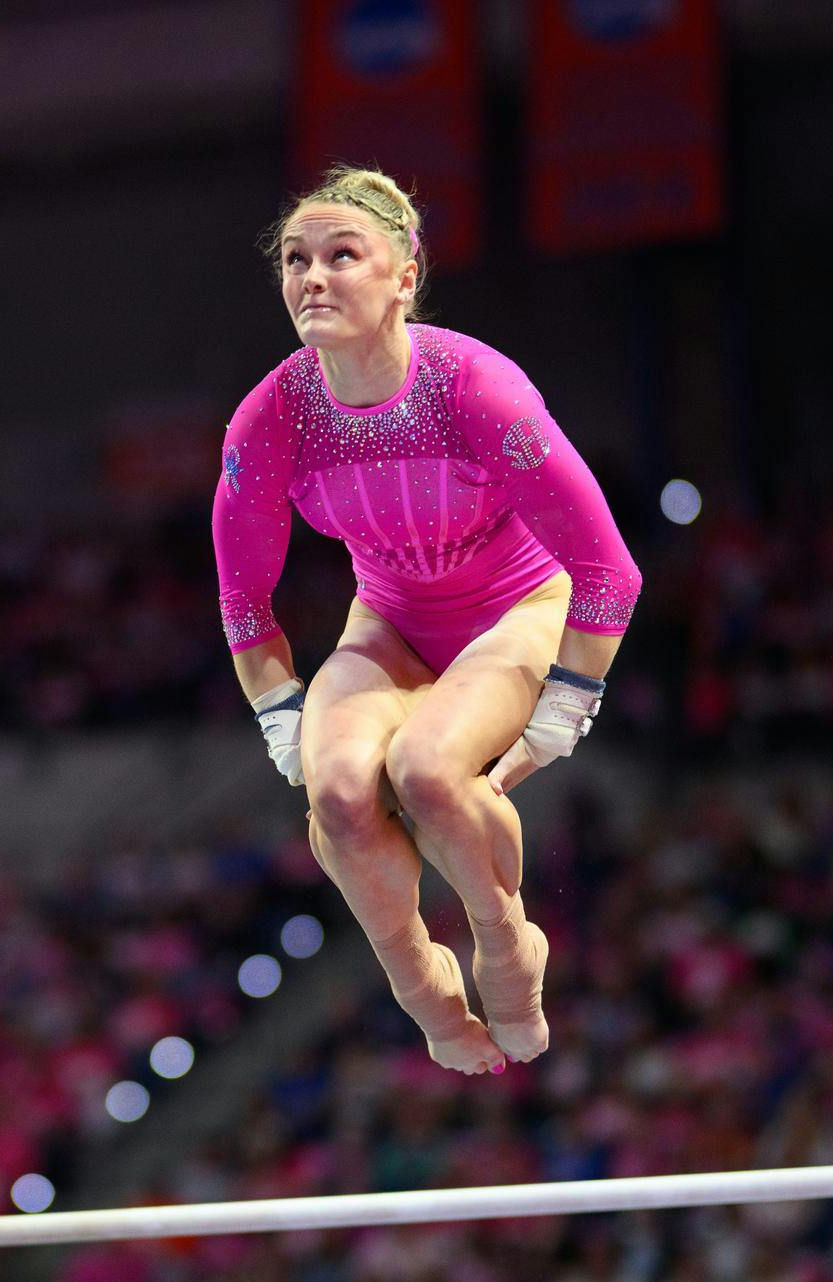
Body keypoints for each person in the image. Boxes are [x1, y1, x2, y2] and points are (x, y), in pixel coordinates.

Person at [212, 167, 640, 1074]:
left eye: (341, 255)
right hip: (392, 620)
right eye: (296, 260)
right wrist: (279, 709)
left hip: (520, 606)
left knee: (427, 769)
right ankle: (423, 989)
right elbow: (245, 600)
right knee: (334, 790)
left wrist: (567, 702)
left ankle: (507, 950)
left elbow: (609, 570)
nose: (312, 277)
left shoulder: (476, 389)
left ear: (405, 275)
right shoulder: (272, 418)